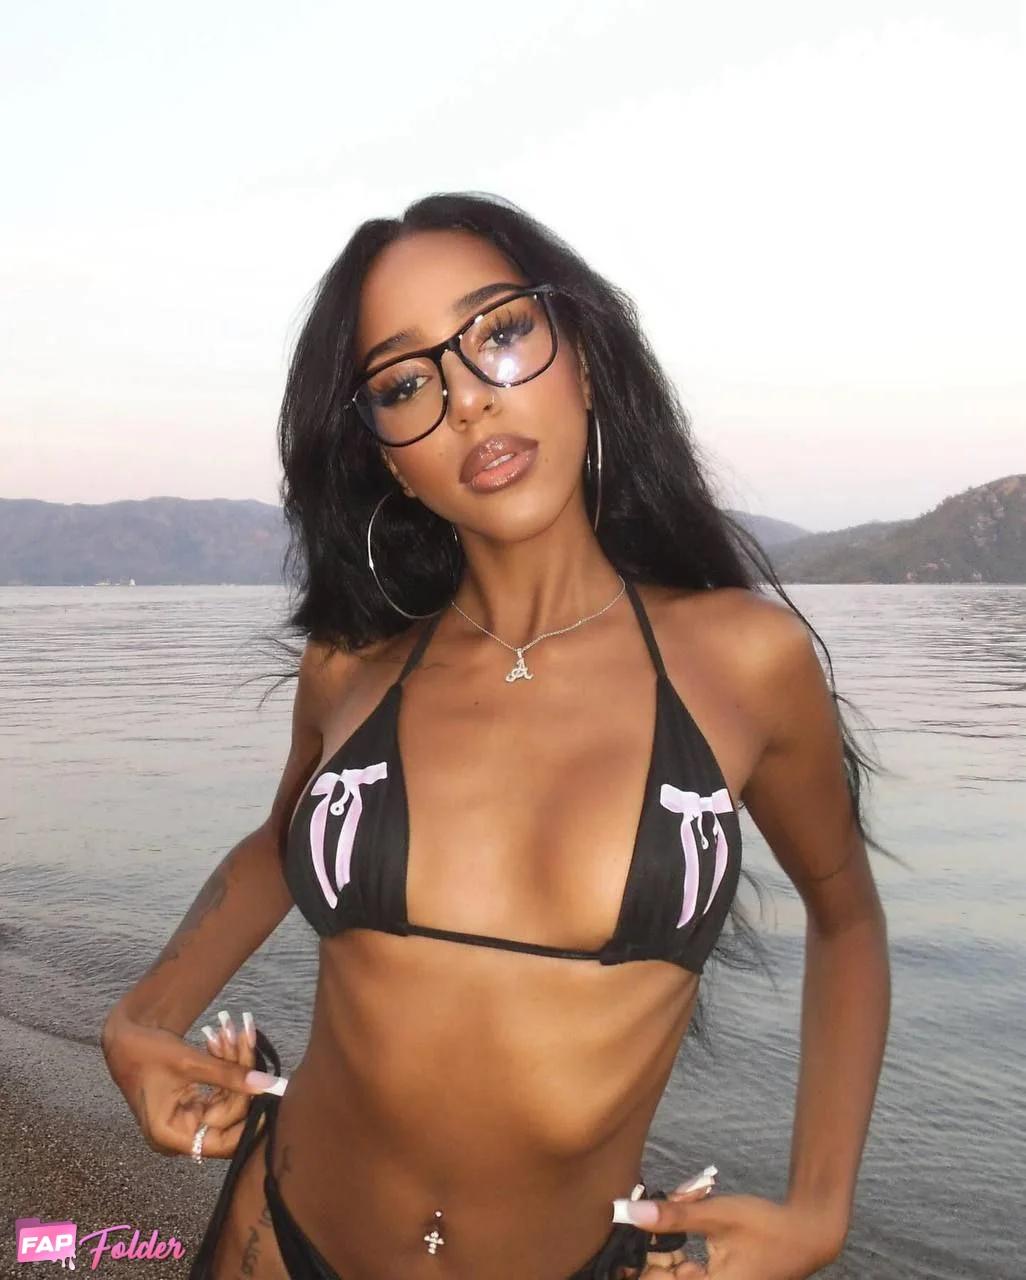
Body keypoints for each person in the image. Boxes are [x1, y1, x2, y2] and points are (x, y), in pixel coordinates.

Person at [101, 192, 891, 1280]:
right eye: (404, 384)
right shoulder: (354, 665)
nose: (467, 398)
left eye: (500, 332)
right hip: (275, 1237)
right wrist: (139, 1021)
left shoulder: (742, 663)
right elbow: (278, 846)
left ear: (585, 360)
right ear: (388, 456)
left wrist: (821, 1206)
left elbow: (847, 918)